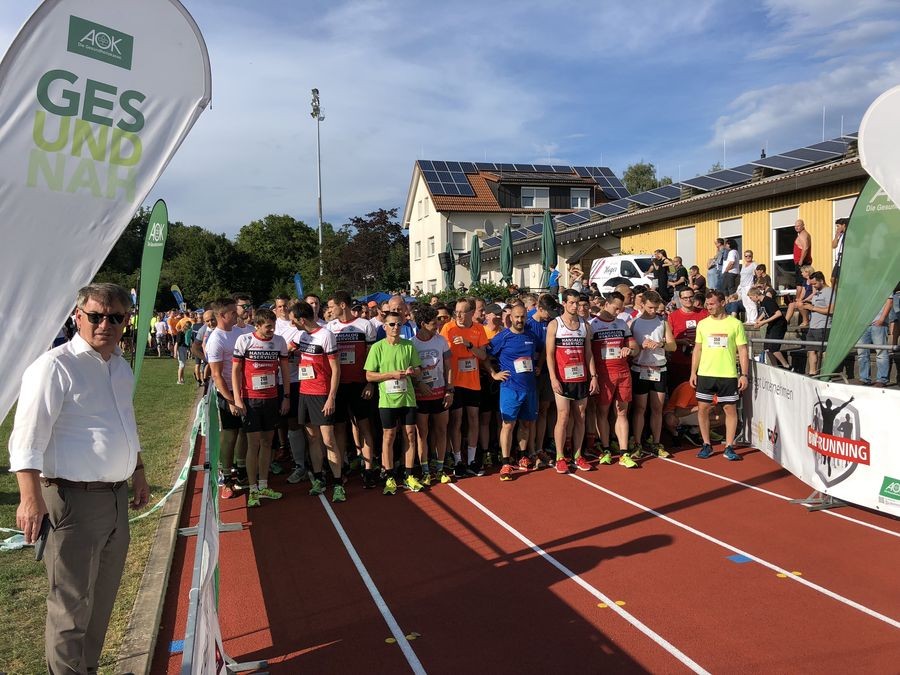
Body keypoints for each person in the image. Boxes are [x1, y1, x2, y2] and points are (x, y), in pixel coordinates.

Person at [10, 283, 149, 674]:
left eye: (115, 317)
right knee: (70, 607)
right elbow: (26, 439)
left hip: (115, 499)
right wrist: (29, 498)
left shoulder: (120, 367)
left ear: (126, 320)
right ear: (78, 317)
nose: (105, 324)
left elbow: (125, 422)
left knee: (101, 602)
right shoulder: (54, 366)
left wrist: (139, 472)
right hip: (72, 500)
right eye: (96, 316)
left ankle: (86, 669)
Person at [231, 308, 290, 507]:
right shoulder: (244, 340)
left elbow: (285, 370)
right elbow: (236, 371)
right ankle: (253, 489)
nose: (272, 330)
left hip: (272, 398)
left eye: (273, 326)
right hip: (251, 400)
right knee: (253, 444)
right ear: (257, 326)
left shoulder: (279, 341)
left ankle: (263, 485)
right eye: (268, 327)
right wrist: (237, 398)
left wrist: (286, 397)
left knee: (267, 443)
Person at [365, 311, 427, 494]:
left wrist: (413, 371)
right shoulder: (377, 347)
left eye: (399, 324)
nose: (395, 327)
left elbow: (418, 370)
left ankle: (409, 475)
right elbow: (369, 375)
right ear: (384, 327)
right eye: (392, 324)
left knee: (410, 434)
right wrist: (390, 375)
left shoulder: (408, 345)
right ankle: (389, 475)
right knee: (389, 435)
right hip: (387, 400)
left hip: (407, 398)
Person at [289, 301, 343, 502]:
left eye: (294, 320)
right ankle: (319, 478)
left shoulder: (326, 335)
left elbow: (336, 369)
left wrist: (331, 397)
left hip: (322, 393)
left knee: (328, 440)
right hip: (305, 391)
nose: (292, 324)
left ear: (302, 320)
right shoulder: (301, 335)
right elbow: (287, 349)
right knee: (312, 438)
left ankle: (338, 483)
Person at [326, 291, 379, 487]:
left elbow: (372, 356)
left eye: (331, 306)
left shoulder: (365, 325)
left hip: (360, 384)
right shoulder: (330, 327)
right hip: (339, 385)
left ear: (342, 305)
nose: (329, 310)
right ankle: (342, 467)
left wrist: (370, 382)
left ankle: (369, 469)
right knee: (340, 428)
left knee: (364, 427)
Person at [690, 289, 750, 461]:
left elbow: (742, 350)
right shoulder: (703, 324)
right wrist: (693, 372)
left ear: (722, 303)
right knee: (703, 409)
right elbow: (697, 349)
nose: (709, 307)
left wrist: (744, 374)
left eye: (712, 304)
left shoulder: (735, 324)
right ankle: (706, 444)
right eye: (707, 304)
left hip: (727, 374)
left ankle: (729, 446)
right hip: (705, 373)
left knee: (729, 409)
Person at [546, 288, 599, 473]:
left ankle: (578, 455)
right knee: (563, 416)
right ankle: (560, 456)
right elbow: (549, 354)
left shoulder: (585, 325)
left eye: (577, 303)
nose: (576, 306)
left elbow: (588, 353)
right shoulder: (555, 324)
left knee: (581, 416)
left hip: (581, 377)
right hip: (562, 377)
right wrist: (553, 378)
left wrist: (594, 376)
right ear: (564, 303)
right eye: (572, 303)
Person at [486, 304, 540, 480]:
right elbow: (485, 356)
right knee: (508, 425)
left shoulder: (531, 335)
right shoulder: (502, 337)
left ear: (526, 317)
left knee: (526, 424)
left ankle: (523, 455)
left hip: (529, 387)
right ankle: (505, 462)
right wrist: (494, 374)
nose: (519, 320)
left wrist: (539, 366)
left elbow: (543, 351)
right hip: (510, 388)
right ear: (511, 318)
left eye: (522, 317)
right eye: (516, 317)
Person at [589, 292, 639, 466]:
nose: (618, 312)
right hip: (604, 374)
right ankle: (605, 448)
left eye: (620, 309)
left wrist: (630, 350)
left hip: (623, 373)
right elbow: (588, 352)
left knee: (622, 412)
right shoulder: (593, 325)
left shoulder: (622, 324)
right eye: (615, 308)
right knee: (602, 412)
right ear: (606, 304)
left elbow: (634, 347)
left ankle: (624, 452)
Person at [627, 290, 675, 464]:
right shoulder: (633, 323)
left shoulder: (663, 322)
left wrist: (660, 343)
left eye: (655, 308)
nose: (653, 311)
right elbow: (629, 348)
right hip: (640, 368)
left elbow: (672, 346)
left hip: (659, 369)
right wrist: (640, 346)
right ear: (642, 305)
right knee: (640, 408)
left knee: (657, 408)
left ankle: (656, 442)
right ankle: (637, 443)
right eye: (650, 308)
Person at [442, 297, 489, 476]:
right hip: (455, 382)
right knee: (457, 420)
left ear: (471, 313)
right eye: (457, 312)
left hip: (473, 382)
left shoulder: (478, 329)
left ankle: (471, 459)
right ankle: (457, 460)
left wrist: (468, 345)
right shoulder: (448, 328)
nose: (459, 316)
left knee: (474, 419)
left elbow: (483, 356)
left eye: (463, 312)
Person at [411, 305, 454, 484]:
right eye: (433, 323)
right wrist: (419, 384)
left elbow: (449, 367)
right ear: (422, 324)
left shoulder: (441, 341)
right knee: (422, 433)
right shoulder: (412, 343)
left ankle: (440, 468)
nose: (437, 325)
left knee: (442, 430)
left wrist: (449, 390)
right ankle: (425, 471)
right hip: (421, 396)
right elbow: (410, 371)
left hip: (440, 393)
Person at [668, 287, 709, 390]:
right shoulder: (673, 316)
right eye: (685, 298)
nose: (688, 300)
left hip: (702, 362)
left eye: (691, 297)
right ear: (680, 299)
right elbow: (668, 339)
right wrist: (681, 341)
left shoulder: (704, 313)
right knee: (678, 393)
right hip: (679, 362)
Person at [801, 272, 833, 376]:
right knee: (811, 350)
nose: (813, 286)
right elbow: (816, 305)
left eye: (815, 284)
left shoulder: (829, 292)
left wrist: (813, 308)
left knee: (824, 352)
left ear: (821, 281)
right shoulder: (817, 292)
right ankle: (812, 372)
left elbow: (831, 310)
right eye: (812, 284)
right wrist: (808, 305)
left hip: (823, 326)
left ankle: (826, 373)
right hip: (813, 326)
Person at [749, 287, 790, 369]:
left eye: (751, 297)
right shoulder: (762, 302)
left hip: (778, 325)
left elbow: (778, 314)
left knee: (773, 348)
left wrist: (763, 322)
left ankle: (786, 366)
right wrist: (758, 320)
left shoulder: (768, 301)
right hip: (772, 325)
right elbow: (765, 312)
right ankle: (775, 367)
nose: (751, 300)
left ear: (756, 295)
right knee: (767, 348)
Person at [856, 296, 892, 387]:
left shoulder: (884, 286)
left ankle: (882, 379)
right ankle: (864, 378)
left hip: (878, 323)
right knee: (862, 353)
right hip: (862, 324)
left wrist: (882, 319)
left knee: (881, 353)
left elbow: (889, 301)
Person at [738, 250, 759, 324]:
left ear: (752, 256)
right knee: (745, 304)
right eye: (746, 256)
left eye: (749, 256)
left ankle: (753, 319)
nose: (748, 257)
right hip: (743, 286)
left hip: (749, 286)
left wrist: (755, 284)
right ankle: (749, 319)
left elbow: (758, 275)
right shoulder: (743, 265)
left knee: (751, 303)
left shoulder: (754, 264)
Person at [831, 217, 848, 289]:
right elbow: (833, 246)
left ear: (843, 225)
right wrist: (836, 236)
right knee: (833, 279)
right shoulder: (840, 235)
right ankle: (835, 293)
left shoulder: (849, 234)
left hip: (845, 260)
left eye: (838, 226)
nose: (837, 228)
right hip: (838, 260)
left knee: (841, 280)